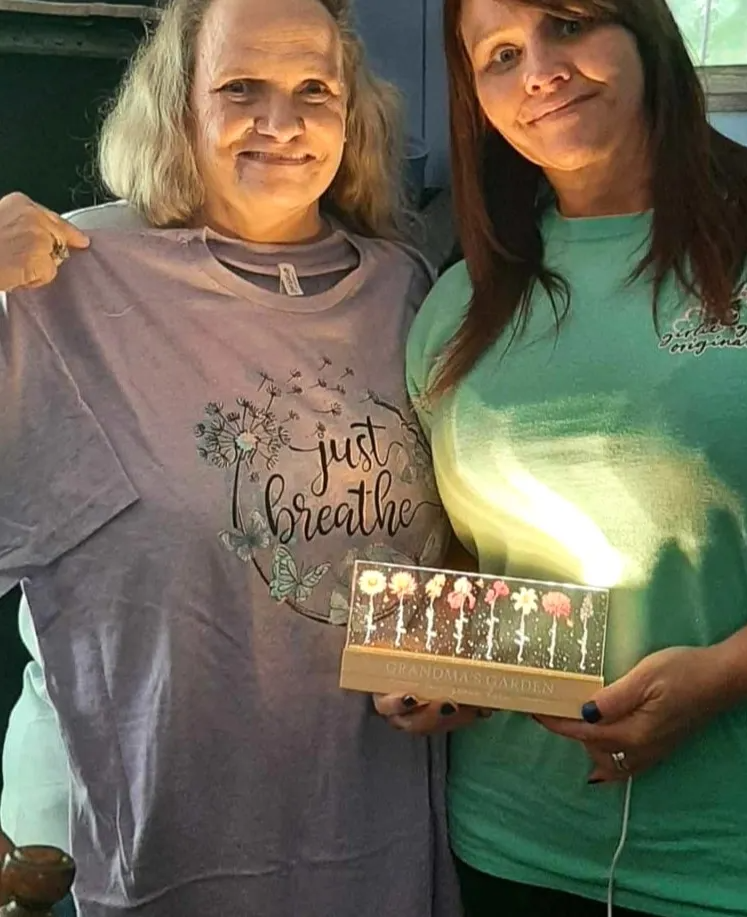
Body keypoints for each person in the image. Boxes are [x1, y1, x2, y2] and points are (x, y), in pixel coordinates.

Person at [389, 1, 747, 916]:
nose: (539, 71)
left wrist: (723, 676)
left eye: (568, 24)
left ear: (644, 30)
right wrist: (440, 663)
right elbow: (473, 551)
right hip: (517, 846)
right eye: (499, 55)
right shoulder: (454, 305)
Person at [0, 0, 463, 914]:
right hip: (160, 850)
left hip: (378, 847)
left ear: (353, 112)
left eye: (313, 89)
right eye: (240, 87)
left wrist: (452, 668)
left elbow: (447, 539)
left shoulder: (407, 293)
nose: (281, 123)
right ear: (178, 104)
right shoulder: (65, 281)